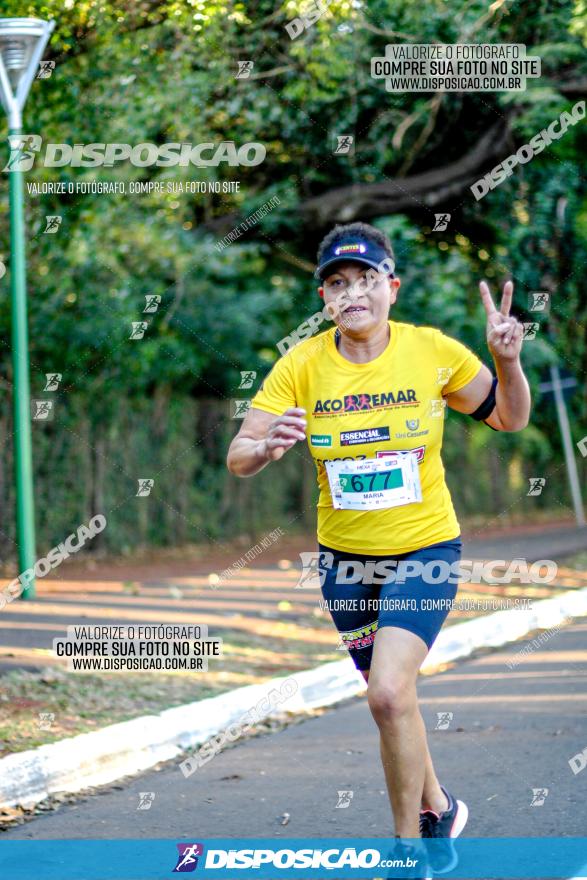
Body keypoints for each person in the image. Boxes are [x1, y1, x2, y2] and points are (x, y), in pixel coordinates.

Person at [226, 222, 530, 863]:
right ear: (324, 300)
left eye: (367, 278)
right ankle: (441, 809)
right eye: (338, 282)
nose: (352, 292)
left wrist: (507, 359)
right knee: (395, 703)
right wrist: (265, 446)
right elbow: (238, 454)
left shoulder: (432, 351)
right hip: (344, 561)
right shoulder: (302, 365)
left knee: (388, 694)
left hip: (424, 550)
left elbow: (508, 416)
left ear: (392, 287)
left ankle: (405, 851)